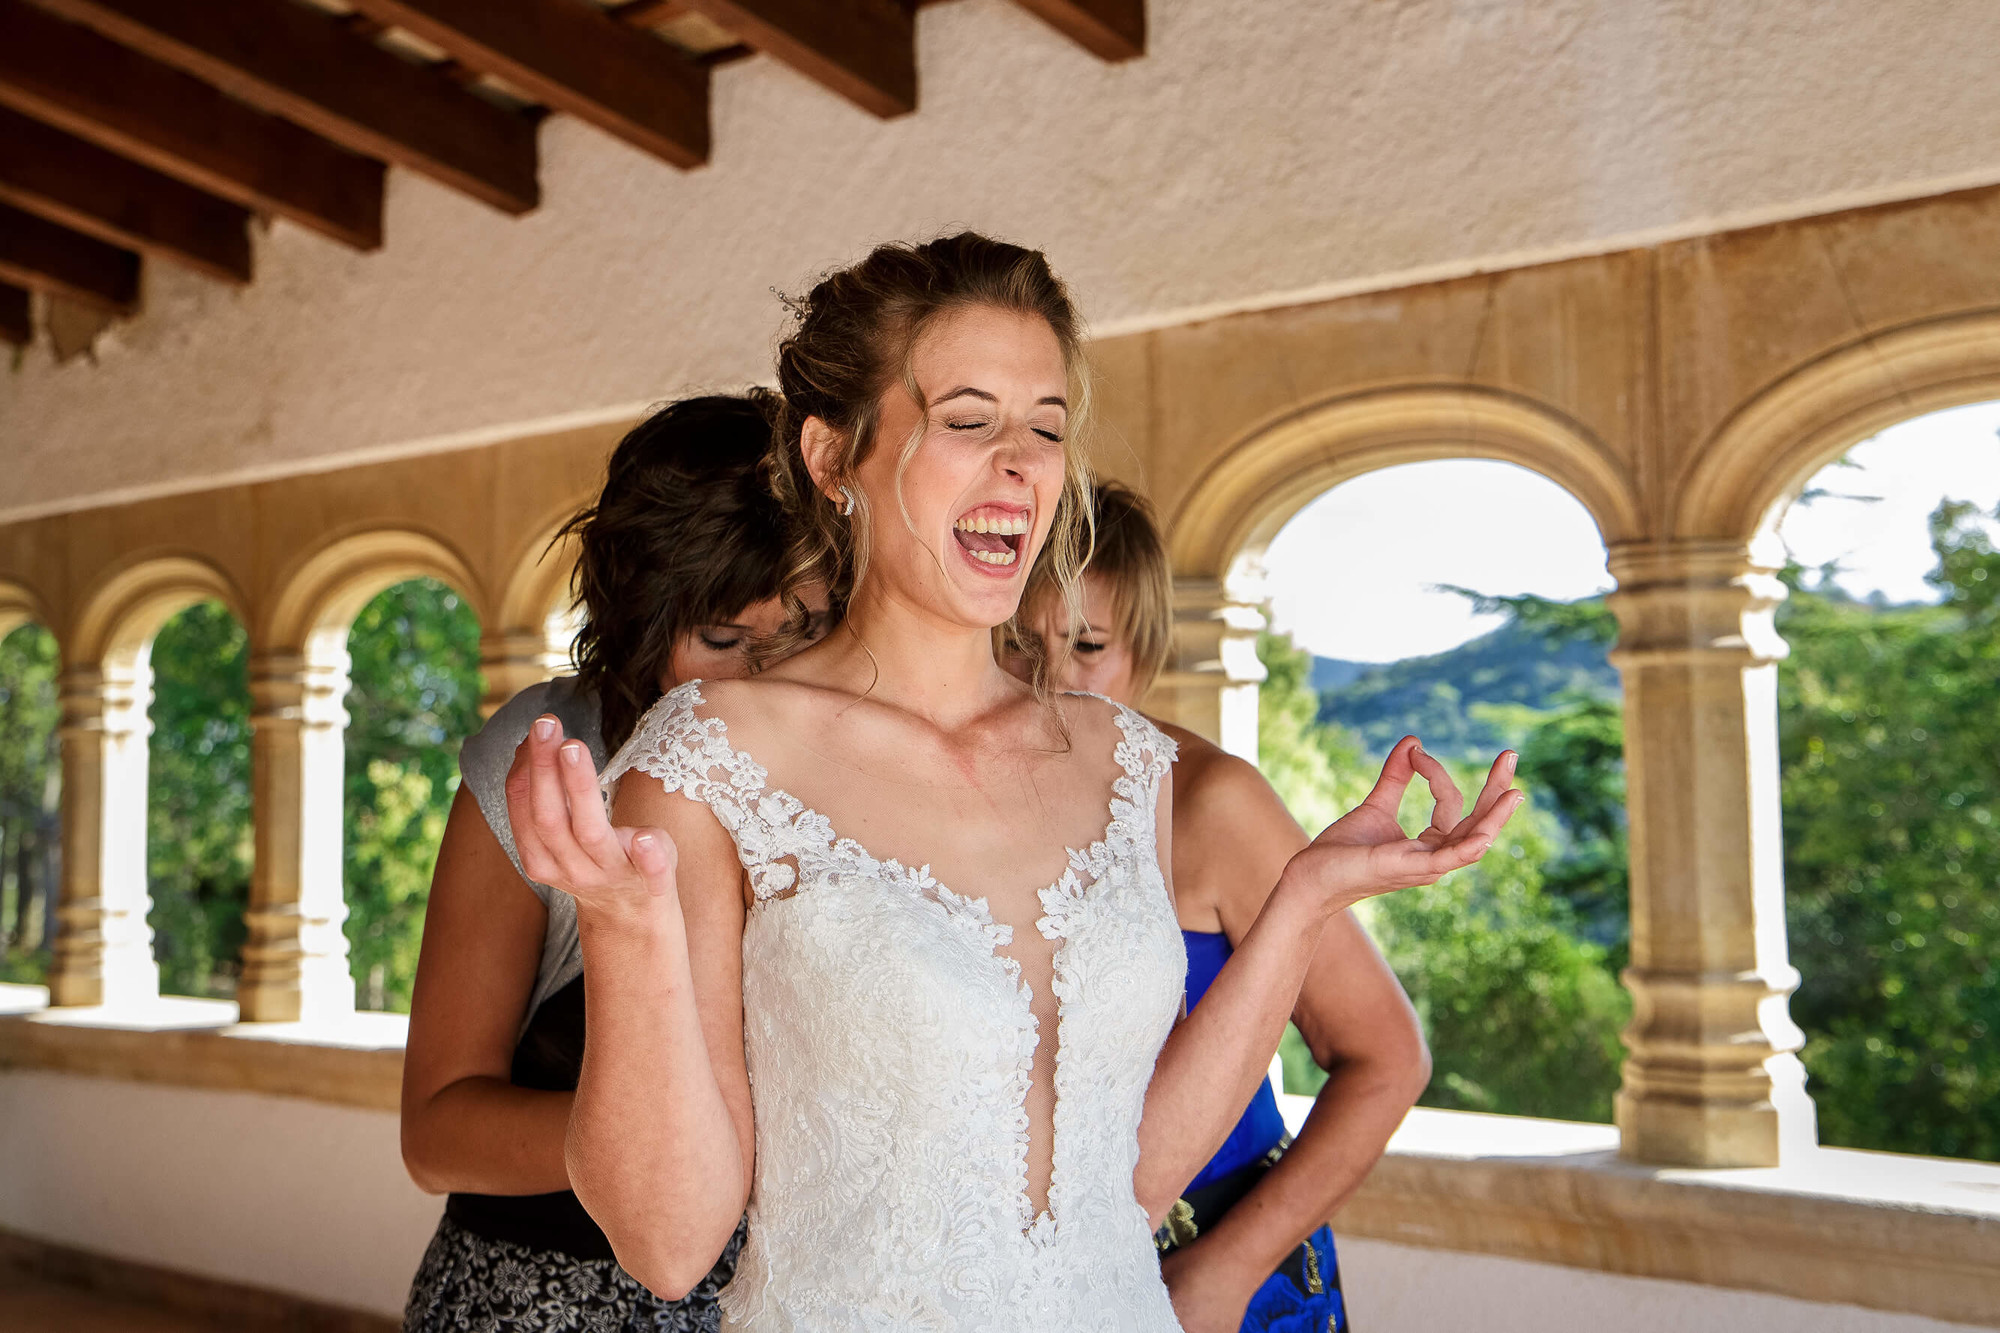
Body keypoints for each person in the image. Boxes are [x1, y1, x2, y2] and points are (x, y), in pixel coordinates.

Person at [508, 233, 1521, 1331]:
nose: (1022, 465)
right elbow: (668, 1244)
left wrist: (1304, 901)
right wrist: (619, 927)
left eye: (1045, 426)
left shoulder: (1124, 762)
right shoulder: (706, 757)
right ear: (831, 456)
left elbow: (1123, 1183)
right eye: (967, 420)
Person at [399, 392, 829, 1332]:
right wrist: (675, 1152)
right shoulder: (555, 756)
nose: (763, 682)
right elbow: (434, 1132)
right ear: (641, 619)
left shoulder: (868, 766)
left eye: (801, 631)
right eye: (722, 640)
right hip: (546, 1300)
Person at [1007, 482, 1446, 1332]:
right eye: (1017, 643)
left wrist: (1228, 1266)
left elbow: (1387, 1057)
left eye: (1088, 644)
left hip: (1226, 1275)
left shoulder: (1213, 802)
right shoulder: (954, 804)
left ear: (1145, 652)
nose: (1050, 677)